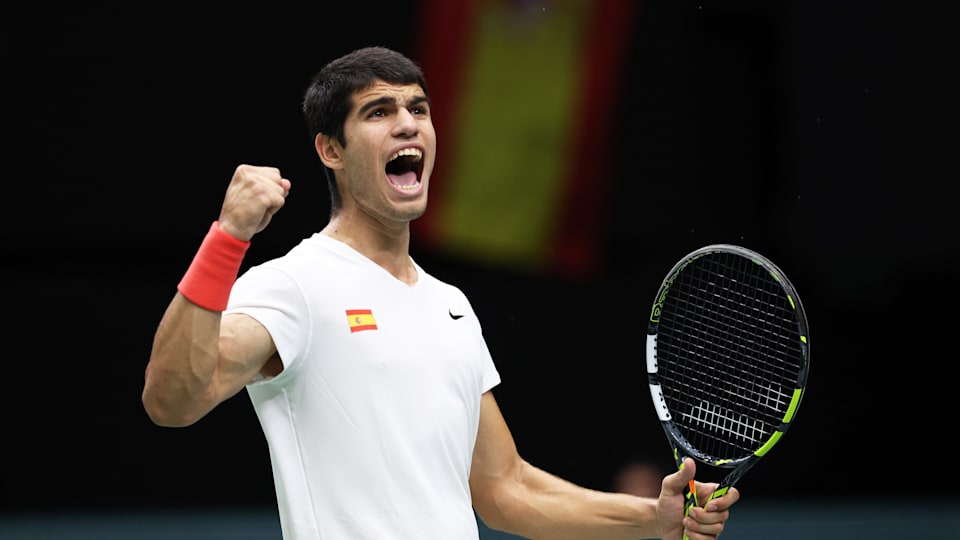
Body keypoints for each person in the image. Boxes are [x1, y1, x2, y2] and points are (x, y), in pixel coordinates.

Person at [142, 46, 739, 540]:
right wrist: (229, 237)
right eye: (378, 112)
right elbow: (171, 400)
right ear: (330, 150)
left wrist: (653, 518)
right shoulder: (294, 284)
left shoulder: (449, 305)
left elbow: (507, 489)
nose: (407, 123)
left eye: (418, 108)